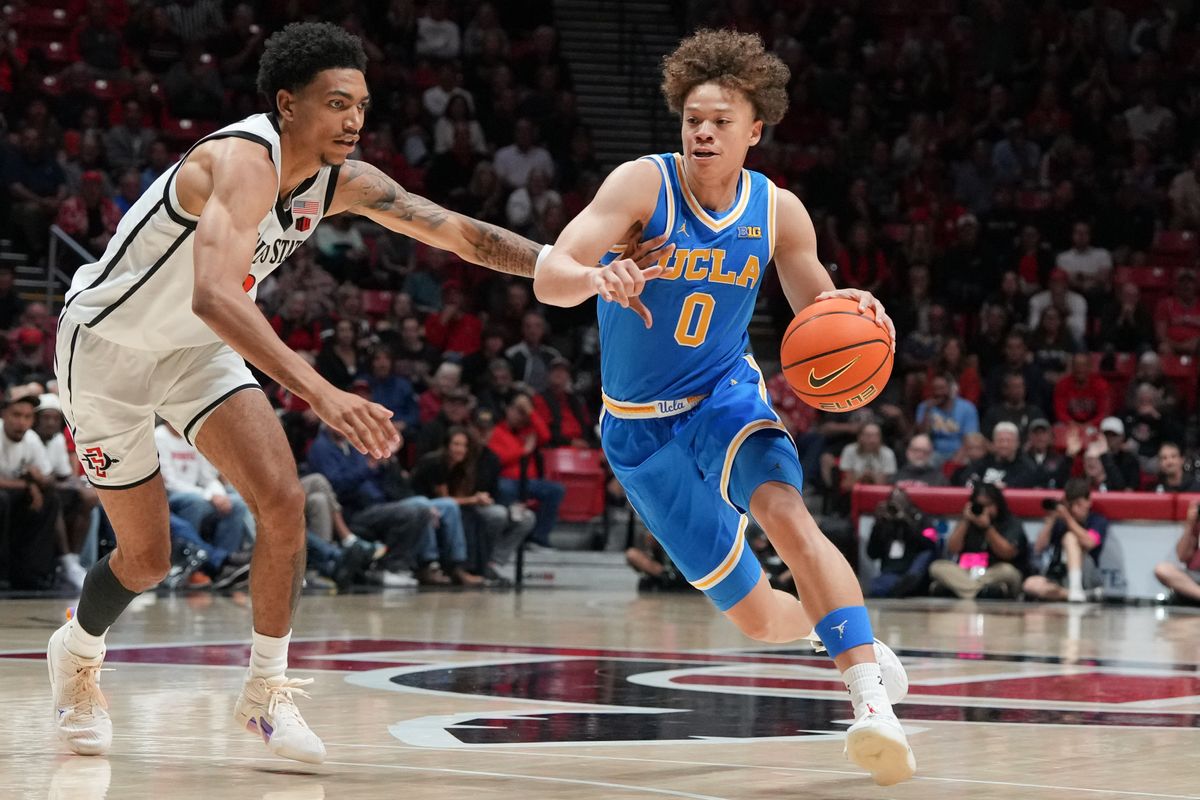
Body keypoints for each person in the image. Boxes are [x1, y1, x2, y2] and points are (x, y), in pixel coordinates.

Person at [47, 22, 559, 765]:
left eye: (363, 104)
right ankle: (78, 650)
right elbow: (216, 296)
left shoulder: (344, 180)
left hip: (192, 354)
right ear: (288, 104)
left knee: (283, 501)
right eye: (336, 102)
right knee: (148, 558)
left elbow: (456, 233)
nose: (354, 119)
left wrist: (569, 265)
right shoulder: (239, 158)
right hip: (107, 354)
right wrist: (323, 392)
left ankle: (264, 696)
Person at [533, 29, 914, 785]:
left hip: (725, 397)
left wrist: (859, 311)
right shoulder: (641, 187)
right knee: (759, 615)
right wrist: (594, 280)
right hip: (640, 434)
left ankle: (871, 702)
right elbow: (552, 274)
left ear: (754, 130)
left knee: (783, 510)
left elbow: (821, 313)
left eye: (720, 121)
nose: (702, 132)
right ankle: (844, 631)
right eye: (691, 119)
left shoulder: (779, 211)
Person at [928, 482, 1028, 600]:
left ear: (997, 504)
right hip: (966, 571)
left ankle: (962, 589)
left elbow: (1007, 553)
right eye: (980, 505)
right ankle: (979, 592)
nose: (984, 509)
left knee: (1008, 571)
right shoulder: (967, 521)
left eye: (988, 505)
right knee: (937, 567)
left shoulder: (1011, 523)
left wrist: (987, 527)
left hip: (994, 571)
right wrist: (965, 521)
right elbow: (953, 548)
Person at [1023, 478, 1107, 602]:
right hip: (1059, 573)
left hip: (1085, 572)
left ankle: (1076, 587)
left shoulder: (1097, 520)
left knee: (1070, 538)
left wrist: (1068, 518)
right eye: (1071, 504)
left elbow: (1090, 542)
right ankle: (1079, 594)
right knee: (1030, 585)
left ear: (1089, 501)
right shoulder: (1059, 521)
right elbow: (1038, 548)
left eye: (1079, 504)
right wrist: (1051, 520)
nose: (1074, 509)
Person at [866, 487, 937, 598]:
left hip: (913, 572)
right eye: (894, 502)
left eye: (901, 502)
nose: (897, 506)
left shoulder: (921, 519)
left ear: (908, 502)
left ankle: (903, 587)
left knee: (924, 557)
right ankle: (898, 589)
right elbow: (872, 554)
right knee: (875, 589)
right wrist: (878, 525)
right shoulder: (885, 522)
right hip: (891, 573)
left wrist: (906, 521)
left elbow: (931, 546)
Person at [1153, 500, 1200, 605]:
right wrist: (1189, 524)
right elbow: (1182, 556)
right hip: (1194, 576)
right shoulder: (1196, 524)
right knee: (1162, 569)